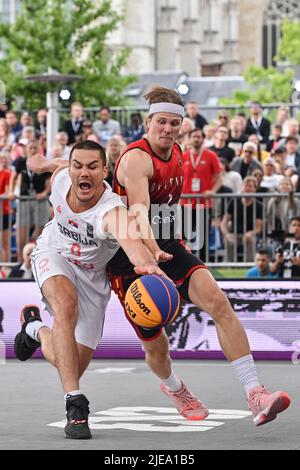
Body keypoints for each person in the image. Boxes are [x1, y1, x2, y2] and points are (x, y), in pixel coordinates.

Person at [106, 86, 290, 426]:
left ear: (182, 127)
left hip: (167, 243)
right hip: (127, 253)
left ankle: (255, 394)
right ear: (149, 122)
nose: (168, 129)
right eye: (161, 122)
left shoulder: (176, 151)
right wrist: (151, 249)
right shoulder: (136, 159)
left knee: (218, 301)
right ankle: (175, 388)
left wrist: (165, 245)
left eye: (174, 124)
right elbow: (139, 211)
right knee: (156, 344)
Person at [14, 140, 166, 440]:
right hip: (52, 253)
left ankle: (34, 329)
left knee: (66, 359)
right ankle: (75, 404)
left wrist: (147, 265)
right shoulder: (61, 179)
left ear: (104, 171)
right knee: (65, 307)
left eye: (93, 167)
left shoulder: (111, 211)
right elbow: (51, 163)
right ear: (70, 168)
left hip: (92, 279)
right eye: (78, 166)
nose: (85, 172)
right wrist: (38, 161)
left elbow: (131, 243)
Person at [180, 128, 222, 261]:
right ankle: (187, 263)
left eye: (199, 137)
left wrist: (213, 191)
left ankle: (203, 264)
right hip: (186, 203)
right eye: (194, 137)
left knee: (203, 236)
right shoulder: (184, 156)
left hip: (204, 203)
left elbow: (219, 178)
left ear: (203, 139)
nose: (196, 139)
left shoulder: (211, 156)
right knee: (186, 236)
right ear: (189, 139)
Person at [221, 176, 263, 262]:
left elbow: (259, 228)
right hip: (234, 234)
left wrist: (251, 233)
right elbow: (224, 222)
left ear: (255, 189)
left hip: (250, 235)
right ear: (242, 188)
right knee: (228, 240)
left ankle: (248, 265)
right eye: (246, 186)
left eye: (251, 186)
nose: (247, 188)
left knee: (249, 239)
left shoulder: (259, 205)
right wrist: (227, 234)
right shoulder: (234, 201)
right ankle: (231, 267)